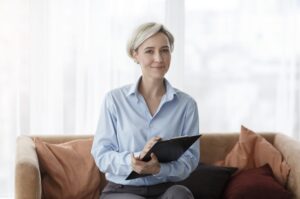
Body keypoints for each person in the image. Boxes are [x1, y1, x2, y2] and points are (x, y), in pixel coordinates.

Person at [91, 22, 200, 199]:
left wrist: (159, 169)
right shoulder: (114, 100)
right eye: (150, 51)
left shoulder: (186, 105)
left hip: (166, 189)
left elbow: (190, 160)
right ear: (135, 55)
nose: (159, 58)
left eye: (164, 50)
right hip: (123, 191)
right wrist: (135, 159)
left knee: (181, 194)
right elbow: (102, 155)